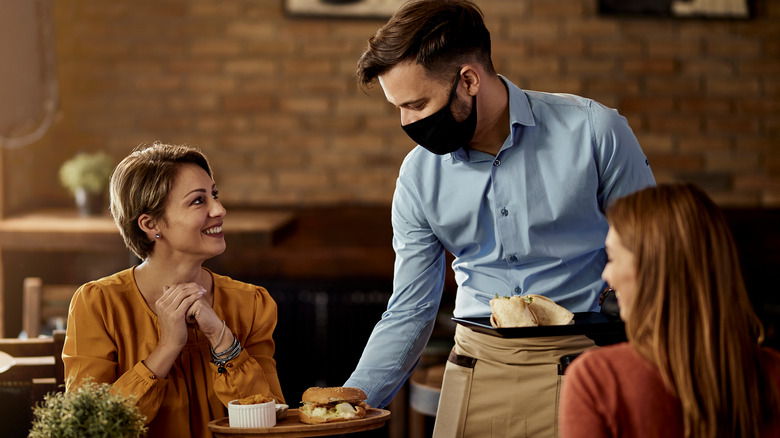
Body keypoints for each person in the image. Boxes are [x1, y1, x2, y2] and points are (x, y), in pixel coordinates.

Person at [343, 1, 655, 436]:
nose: (406, 122)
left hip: (583, 366)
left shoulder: (595, 132)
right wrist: (348, 406)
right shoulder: (418, 175)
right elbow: (411, 308)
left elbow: (658, 264)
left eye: (416, 103)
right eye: (398, 107)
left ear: (468, 80)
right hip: (472, 368)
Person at [62, 142, 285, 438]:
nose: (219, 209)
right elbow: (89, 430)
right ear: (150, 223)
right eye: (198, 201)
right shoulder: (99, 304)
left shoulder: (251, 303)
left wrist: (222, 339)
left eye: (214, 195)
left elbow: (270, 420)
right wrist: (167, 347)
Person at [560, 183, 780, 438]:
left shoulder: (597, 381)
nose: (606, 275)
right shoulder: (773, 374)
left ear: (653, 271)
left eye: (612, 258)